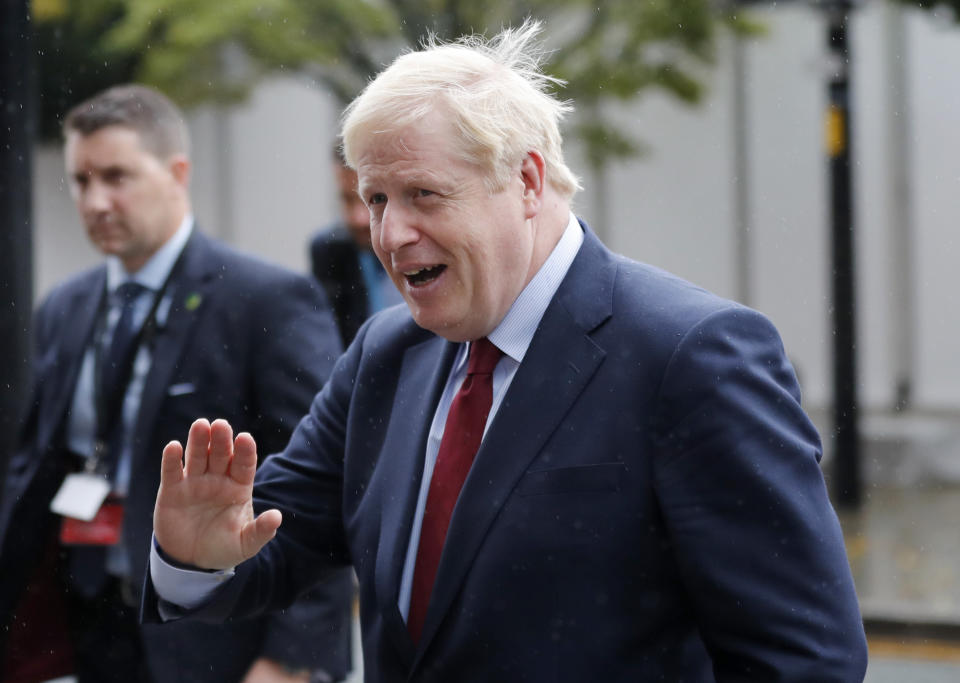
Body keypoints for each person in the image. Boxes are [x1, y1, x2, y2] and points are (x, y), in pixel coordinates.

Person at [145, 23, 868, 682]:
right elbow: (277, 540)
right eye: (376, 200)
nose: (391, 234)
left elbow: (805, 659)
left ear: (525, 180)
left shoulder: (692, 355)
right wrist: (195, 552)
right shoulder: (385, 353)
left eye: (424, 194)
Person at [0, 84, 355, 683]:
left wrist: (291, 658)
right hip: (88, 618)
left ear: (177, 173)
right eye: (82, 181)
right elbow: (35, 468)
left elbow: (326, 486)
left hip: (215, 637)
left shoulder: (264, 300)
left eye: (117, 176)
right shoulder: (66, 306)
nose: (95, 201)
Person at [309, 145, 404, 347]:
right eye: (347, 199)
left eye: (374, 199)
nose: (358, 218)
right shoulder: (329, 250)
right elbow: (330, 344)